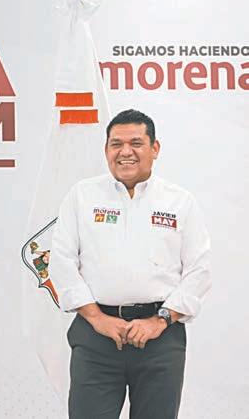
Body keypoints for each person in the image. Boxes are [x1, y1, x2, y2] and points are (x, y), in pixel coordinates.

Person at [50, 109, 212, 419]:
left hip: (160, 338)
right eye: (116, 144)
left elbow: (199, 271)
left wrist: (159, 321)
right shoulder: (82, 196)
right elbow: (61, 261)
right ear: (106, 150)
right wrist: (97, 318)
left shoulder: (180, 202)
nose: (125, 152)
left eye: (136, 143)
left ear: (155, 148)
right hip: (95, 337)